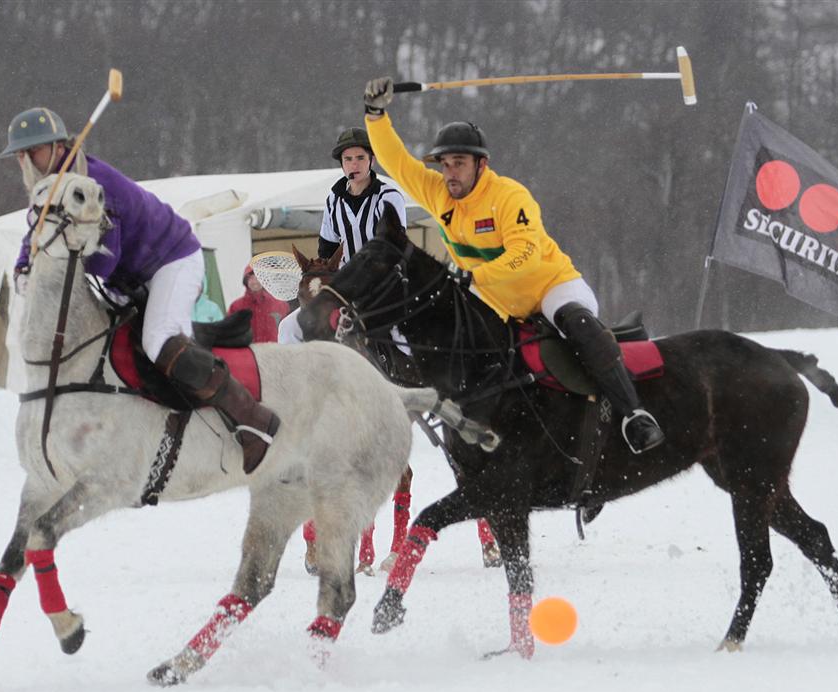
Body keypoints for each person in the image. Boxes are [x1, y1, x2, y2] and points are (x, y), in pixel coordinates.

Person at [361, 79, 665, 454]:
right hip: (498, 305)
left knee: (575, 323)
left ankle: (634, 414)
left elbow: (525, 254)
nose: (450, 173)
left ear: (481, 164)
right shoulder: (439, 193)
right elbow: (396, 162)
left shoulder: (509, 196)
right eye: (445, 164)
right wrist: (375, 115)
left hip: (550, 287)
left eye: (459, 164)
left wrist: (474, 276)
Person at [0, 107, 278, 472]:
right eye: (20, 154)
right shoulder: (50, 187)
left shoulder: (95, 183)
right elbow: (37, 231)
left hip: (172, 259)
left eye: (31, 151)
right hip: (132, 275)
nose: (25, 161)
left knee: (158, 339)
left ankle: (252, 418)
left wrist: (63, 266)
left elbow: (107, 258)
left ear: (57, 147)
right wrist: (24, 267)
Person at [277, 126, 407, 345]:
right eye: (348, 159)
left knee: (400, 336)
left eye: (360, 158)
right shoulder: (333, 200)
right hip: (345, 287)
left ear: (372, 160)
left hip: (384, 284)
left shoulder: (388, 196)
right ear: (342, 164)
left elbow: (394, 246)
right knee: (288, 327)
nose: (354, 165)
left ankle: (415, 367)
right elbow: (327, 249)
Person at [229, 265, 289, 343]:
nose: (255, 282)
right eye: (251, 278)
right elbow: (230, 331)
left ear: (264, 280)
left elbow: (288, 331)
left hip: (274, 349)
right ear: (246, 281)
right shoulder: (236, 307)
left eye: (258, 278)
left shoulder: (280, 305)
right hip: (248, 349)